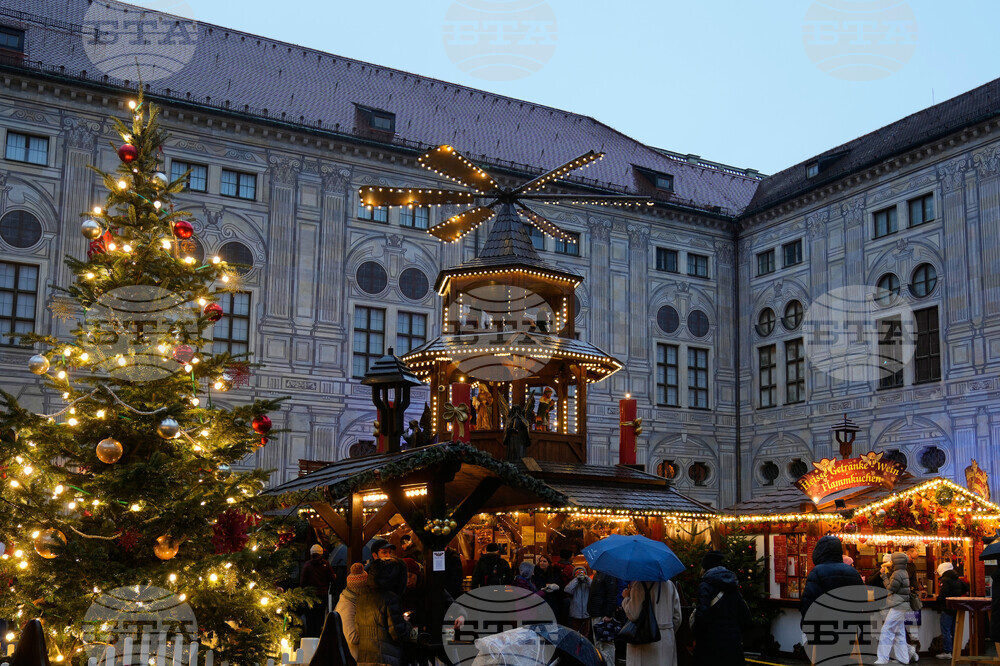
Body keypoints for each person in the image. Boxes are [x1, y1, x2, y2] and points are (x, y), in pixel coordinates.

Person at [693, 550, 751, 665]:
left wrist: (697, 635)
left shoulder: (706, 585)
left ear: (706, 567)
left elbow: (701, 615)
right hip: (733, 644)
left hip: (711, 643)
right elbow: (745, 616)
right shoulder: (732, 584)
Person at [353, 564, 412, 666]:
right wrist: (406, 623)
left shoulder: (361, 599)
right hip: (386, 659)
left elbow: (358, 630)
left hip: (364, 658)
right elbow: (397, 633)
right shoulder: (391, 598)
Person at [800, 536, 864, 623]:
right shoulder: (853, 572)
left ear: (819, 552)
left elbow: (808, 602)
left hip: (823, 627)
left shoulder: (817, 572)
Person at [622, 575, 682, 666]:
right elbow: (677, 617)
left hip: (645, 642)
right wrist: (667, 631)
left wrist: (626, 598)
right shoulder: (669, 585)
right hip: (666, 639)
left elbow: (633, 614)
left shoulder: (639, 584)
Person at [875, 552, 911, 665]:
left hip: (897, 605)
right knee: (899, 632)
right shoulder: (903, 572)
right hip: (902, 604)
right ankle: (903, 658)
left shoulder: (897, 574)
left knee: (887, 630)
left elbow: (890, 588)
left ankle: (882, 658)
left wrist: (883, 576)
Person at [300, 544, 336, 638]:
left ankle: (309, 639)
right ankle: (318, 639)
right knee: (320, 618)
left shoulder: (307, 565)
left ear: (311, 553)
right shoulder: (326, 564)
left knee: (310, 619)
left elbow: (302, 582)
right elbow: (332, 578)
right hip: (323, 595)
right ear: (321, 553)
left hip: (310, 596)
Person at [935, 561, 969, 659]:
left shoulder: (945, 580)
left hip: (947, 608)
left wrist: (938, 600)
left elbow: (943, 594)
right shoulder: (957, 579)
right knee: (954, 630)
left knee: (946, 630)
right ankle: (956, 651)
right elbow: (966, 587)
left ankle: (947, 652)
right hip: (956, 608)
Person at [334, 563, 367, 660]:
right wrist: (371, 633)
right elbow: (351, 638)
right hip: (351, 658)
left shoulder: (353, 602)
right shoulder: (347, 606)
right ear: (359, 590)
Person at [532, 554, 564, 619]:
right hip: (541, 600)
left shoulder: (554, 573)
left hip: (552, 600)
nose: (542, 563)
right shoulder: (536, 573)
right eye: (540, 561)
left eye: (544, 561)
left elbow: (559, 585)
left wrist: (554, 587)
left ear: (549, 563)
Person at [564, 566, 592, 635]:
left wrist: (587, 578)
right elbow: (567, 590)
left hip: (586, 614)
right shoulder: (573, 583)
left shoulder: (587, 583)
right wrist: (576, 579)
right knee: (575, 634)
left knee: (585, 634)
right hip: (575, 614)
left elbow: (594, 588)